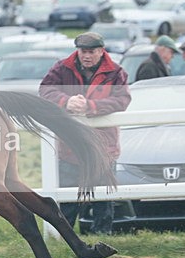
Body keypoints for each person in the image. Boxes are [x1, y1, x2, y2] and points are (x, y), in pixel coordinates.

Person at [39, 31, 131, 235]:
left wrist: (92, 106)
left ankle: (102, 238)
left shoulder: (116, 72)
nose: (86, 56)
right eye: (82, 51)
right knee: (69, 199)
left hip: (103, 146)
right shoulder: (62, 68)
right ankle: (64, 238)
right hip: (71, 145)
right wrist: (66, 101)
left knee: (103, 200)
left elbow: (122, 100)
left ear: (101, 51)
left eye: (91, 52)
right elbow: (45, 90)